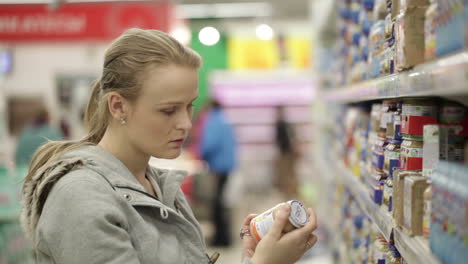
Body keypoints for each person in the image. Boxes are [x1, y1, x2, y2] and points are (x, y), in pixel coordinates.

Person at [20, 28, 317, 264]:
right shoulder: (80, 199)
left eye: (189, 106)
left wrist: (250, 258)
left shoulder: (160, 186)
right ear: (118, 106)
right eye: (168, 110)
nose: (187, 123)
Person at [199, 100, 236, 247]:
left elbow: (209, 144)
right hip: (227, 166)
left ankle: (221, 239)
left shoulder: (213, 121)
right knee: (222, 202)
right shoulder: (224, 120)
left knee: (217, 204)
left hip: (217, 167)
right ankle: (225, 237)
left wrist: (202, 155)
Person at [274, 105, 299, 199]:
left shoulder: (282, 124)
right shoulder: (283, 124)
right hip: (285, 153)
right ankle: (290, 194)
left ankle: (290, 194)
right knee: (288, 175)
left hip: (286, 153)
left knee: (288, 175)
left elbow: (281, 141)